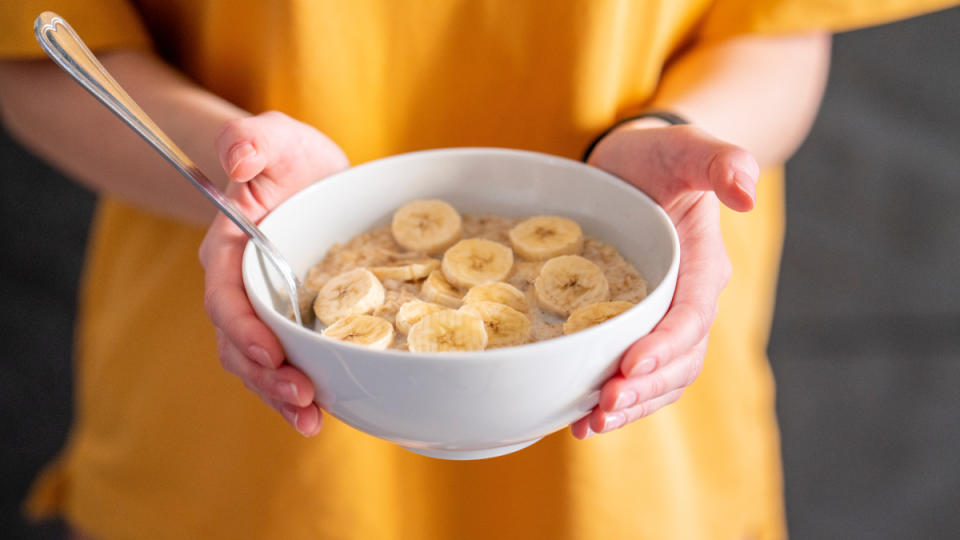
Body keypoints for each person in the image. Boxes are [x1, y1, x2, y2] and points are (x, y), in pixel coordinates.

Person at [0, 1, 952, 538]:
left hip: (623, 450)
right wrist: (225, 158)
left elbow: (776, 25)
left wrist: (674, 143)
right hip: (244, 450)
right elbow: (33, 50)